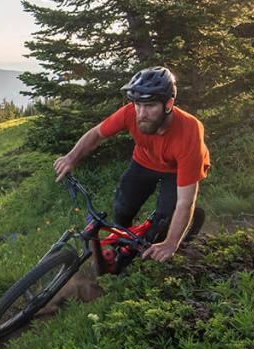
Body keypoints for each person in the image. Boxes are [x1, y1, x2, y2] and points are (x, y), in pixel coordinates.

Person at [51, 66, 209, 266]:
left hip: (176, 170)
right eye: (138, 104)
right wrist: (71, 158)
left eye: (150, 105)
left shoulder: (189, 131)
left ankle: (152, 248)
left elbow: (185, 201)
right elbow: (97, 134)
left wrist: (171, 243)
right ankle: (121, 249)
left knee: (161, 225)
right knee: (122, 207)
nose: (141, 113)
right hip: (144, 161)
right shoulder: (130, 114)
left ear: (168, 103)